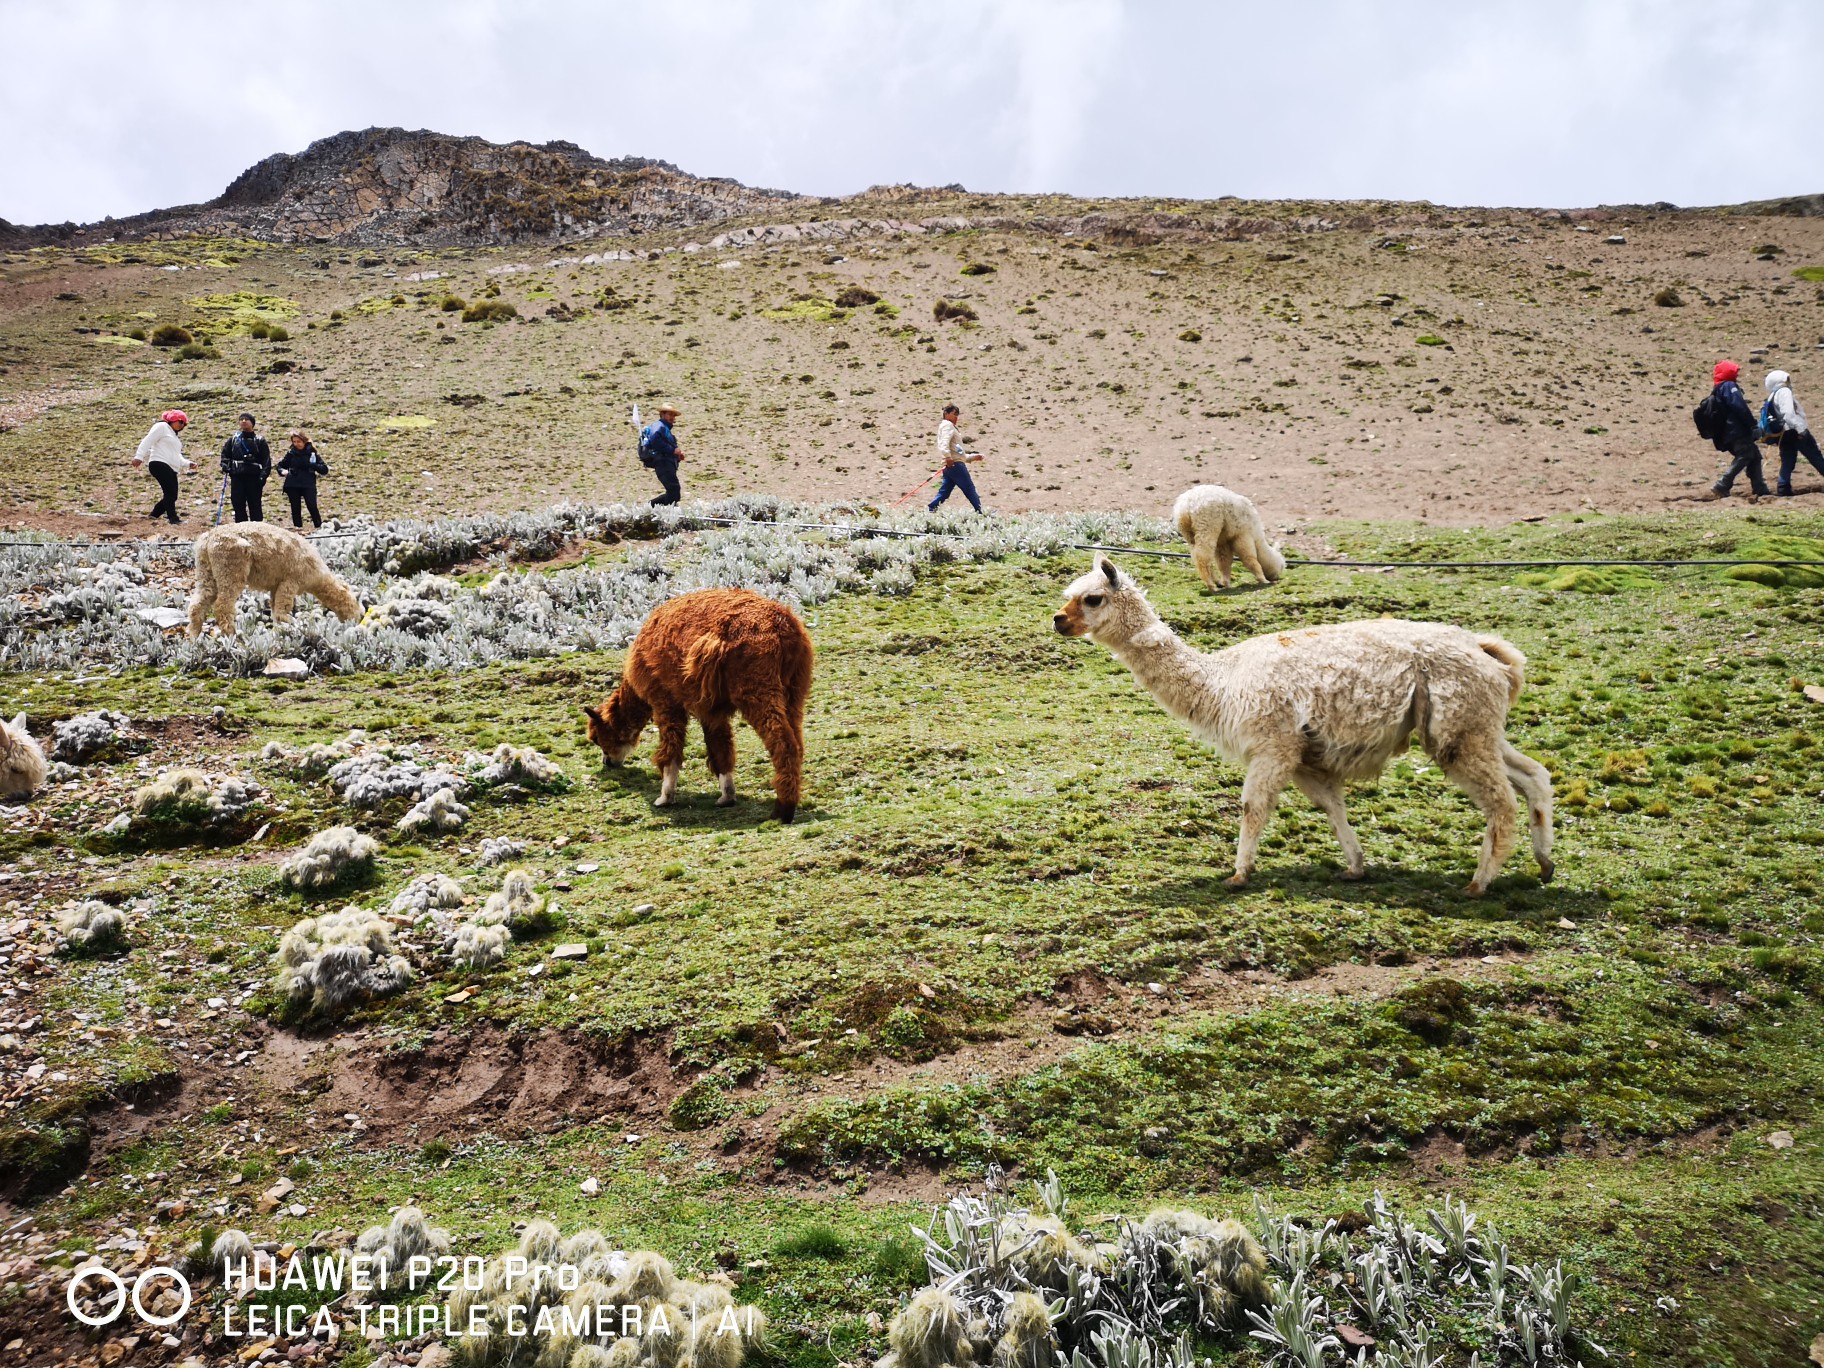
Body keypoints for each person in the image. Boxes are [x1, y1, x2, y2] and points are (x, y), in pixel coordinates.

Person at [1700, 361, 1768, 501]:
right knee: (1745, 454)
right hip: (1736, 431)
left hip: (1727, 433)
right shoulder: (1728, 386)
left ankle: (1760, 488)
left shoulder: (1718, 388)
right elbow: (1739, 406)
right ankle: (1723, 483)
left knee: (1754, 456)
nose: (1737, 374)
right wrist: (1752, 425)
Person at [1764, 370, 1824, 497]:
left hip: (1784, 434)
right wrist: (1801, 430)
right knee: (1815, 456)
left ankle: (1783, 488)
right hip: (1795, 431)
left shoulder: (1772, 395)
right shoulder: (1784, 392)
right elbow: (1789, 414)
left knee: (1787, 460)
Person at [131, 410, 192, 524]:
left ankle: (154, 515)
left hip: (171, 467)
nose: (182, 425)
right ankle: (173, 519)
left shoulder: (174, 437)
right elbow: (148, 440)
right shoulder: (161, 427)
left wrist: (188, 463)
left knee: (173, 495)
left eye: (184, 423)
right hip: (159, 463)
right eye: (180, 421)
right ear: (172, 420)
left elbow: (176, 455)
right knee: (170, 493)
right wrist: (139, 456)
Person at [928, 403, 984, 513]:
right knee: (969, 488)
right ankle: (981, 511)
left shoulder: (952, 427)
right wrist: (947, 456)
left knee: (945, 491)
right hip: (955, 465)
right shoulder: (947, 425)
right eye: (954, 414)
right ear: (946, 413)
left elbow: (959, 453)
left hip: (951, 465)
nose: (956, 417)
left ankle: (932, 508)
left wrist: (973, 457)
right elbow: (944, 443)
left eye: (957, 414)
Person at [220, 413, 272, 523]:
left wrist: (263, 476)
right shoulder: (234, 439)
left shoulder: (259, 440)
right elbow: (225, 455)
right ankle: (240, 527)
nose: (243, 421)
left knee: (255, 504)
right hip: (237, 476)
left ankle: (257, 528)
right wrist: (225, 465)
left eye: (246, 419)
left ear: (252, 423)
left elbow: (266, 460)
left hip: (254, 477)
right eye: (241, 419)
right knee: (238, 503)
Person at [275, 429, 329, 529]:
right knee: (295, 509)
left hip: (308, 484)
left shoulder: (312, 453)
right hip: (293, 484)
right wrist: (282, 471)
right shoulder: (291, 453)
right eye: (294, 442)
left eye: (298, 442)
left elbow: (324, 469)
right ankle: (298, 529)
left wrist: (313, 465)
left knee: (312, 507)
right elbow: (279, 466)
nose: (296, 444)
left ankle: (320, 528)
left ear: (304, 441)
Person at [640, 403, 684, 506]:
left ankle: (654, 508)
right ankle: (651, 507)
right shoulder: (659, 426)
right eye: (670, 414)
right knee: (674, 491)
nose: (672, 417)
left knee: (674, 491)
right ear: (662, 414)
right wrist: (672, 450)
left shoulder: (665, 429)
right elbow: (655, 439)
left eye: (673, 415)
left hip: (666, 463)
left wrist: (677, 454)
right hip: (663, 463)